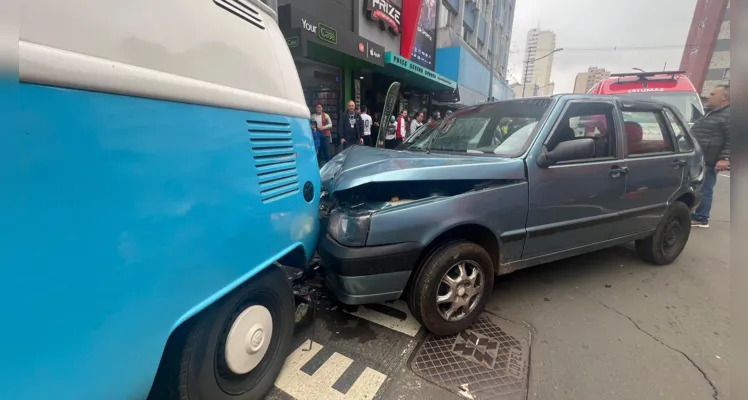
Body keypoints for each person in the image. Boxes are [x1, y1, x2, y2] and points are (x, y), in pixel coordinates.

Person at [691, 84, 730, 228]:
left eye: (713, 94)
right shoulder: (710, 112)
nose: (709, 96)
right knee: (698, 187)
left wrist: (724, 158)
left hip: (710, 158)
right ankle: (697, 214)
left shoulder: (729, 115)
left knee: (705, 188)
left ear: (724, 97)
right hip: (700, 156)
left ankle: (702, 218)